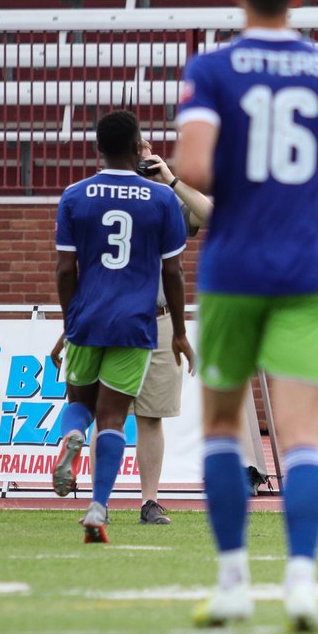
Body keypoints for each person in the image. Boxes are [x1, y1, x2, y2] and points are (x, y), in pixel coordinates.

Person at [174, 0, 318, 633]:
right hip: (307, 271)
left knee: (226, 427)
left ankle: (232, 583)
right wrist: (298, 179)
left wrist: (249, 177)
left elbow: (193, 167)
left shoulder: (213, 68)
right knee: (302, 434)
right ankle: (301, 585)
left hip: (234, 268)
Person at [49, 140, 212, 526]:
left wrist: (170, 179)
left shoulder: (99, 195)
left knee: (109, 412)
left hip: (99, 317)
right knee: (124, 416)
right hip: (151, 318)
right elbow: (179, 266)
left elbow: (67, 267)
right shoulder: (158, 202)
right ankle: (115, 499)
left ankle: (131, 500)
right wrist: (181, 331)